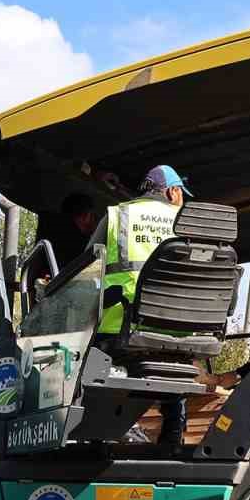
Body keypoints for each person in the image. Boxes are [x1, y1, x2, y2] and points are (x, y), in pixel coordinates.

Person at [96, 165, 190, 445]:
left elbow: (85, 269)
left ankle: (117, 427)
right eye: (182, 194)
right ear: (173, 192)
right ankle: (174, 433)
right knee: (174, 360)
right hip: (180, 331)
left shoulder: (118, 216)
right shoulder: (188, 226)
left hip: (121, 327)